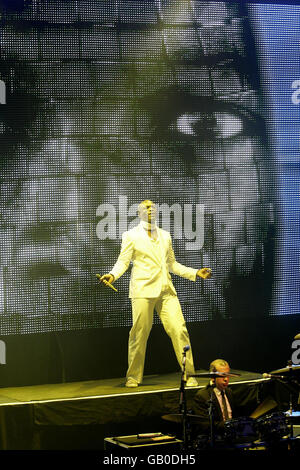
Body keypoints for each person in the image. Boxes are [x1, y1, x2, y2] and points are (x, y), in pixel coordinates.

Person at [100, 199, 212, 387]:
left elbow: (171, 264)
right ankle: (133, 376)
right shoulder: (131, 235)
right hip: (143, 289)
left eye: (153, 206)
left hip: (165, 289)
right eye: (146, 207)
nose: (150, 209)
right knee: (139, 333)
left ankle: (188, 374)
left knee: (179, 330)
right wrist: (112, 275)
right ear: (139, 213)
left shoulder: (165, 236)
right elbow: (123, 261)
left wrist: (194, 272)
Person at [192, 359, 236, 434]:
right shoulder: (202, 396)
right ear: (212, 377)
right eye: (222, 375)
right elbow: (205, 425)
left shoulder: (229, 392)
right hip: (216, 438)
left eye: (227, 375)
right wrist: (228, 425)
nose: (226, 379)